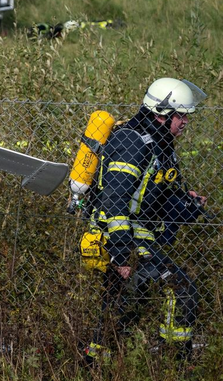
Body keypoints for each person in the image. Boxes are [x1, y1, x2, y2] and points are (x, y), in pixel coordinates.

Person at [85, 78, 208, 364]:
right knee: (181, 288)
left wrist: (186, 204)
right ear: (161, 114)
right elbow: (113, 200)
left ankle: (94, 365)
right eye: (180, 115)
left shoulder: (161, 144)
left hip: (138, 232)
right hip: (120, 234)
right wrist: (120, 253)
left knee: (123, 304)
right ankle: (175, 366)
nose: (185, 122)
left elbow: (155, 198)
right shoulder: (132, 141)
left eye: (187, 116)